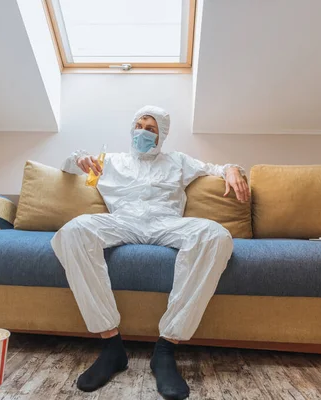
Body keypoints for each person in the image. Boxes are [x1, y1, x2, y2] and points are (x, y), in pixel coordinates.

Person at [51, 105, 249, 400]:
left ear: (162, 136)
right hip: (122, 222)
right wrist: (78, 156)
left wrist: (233, 170)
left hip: (166, 223)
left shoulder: (178, 161)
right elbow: (68, 166)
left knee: (216, 236)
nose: (143, 131)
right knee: (72, 232)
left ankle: (166, 349)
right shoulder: (111, 161)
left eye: (151, 128)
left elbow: (215, 169)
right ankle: (111, 346)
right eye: (139, 125)